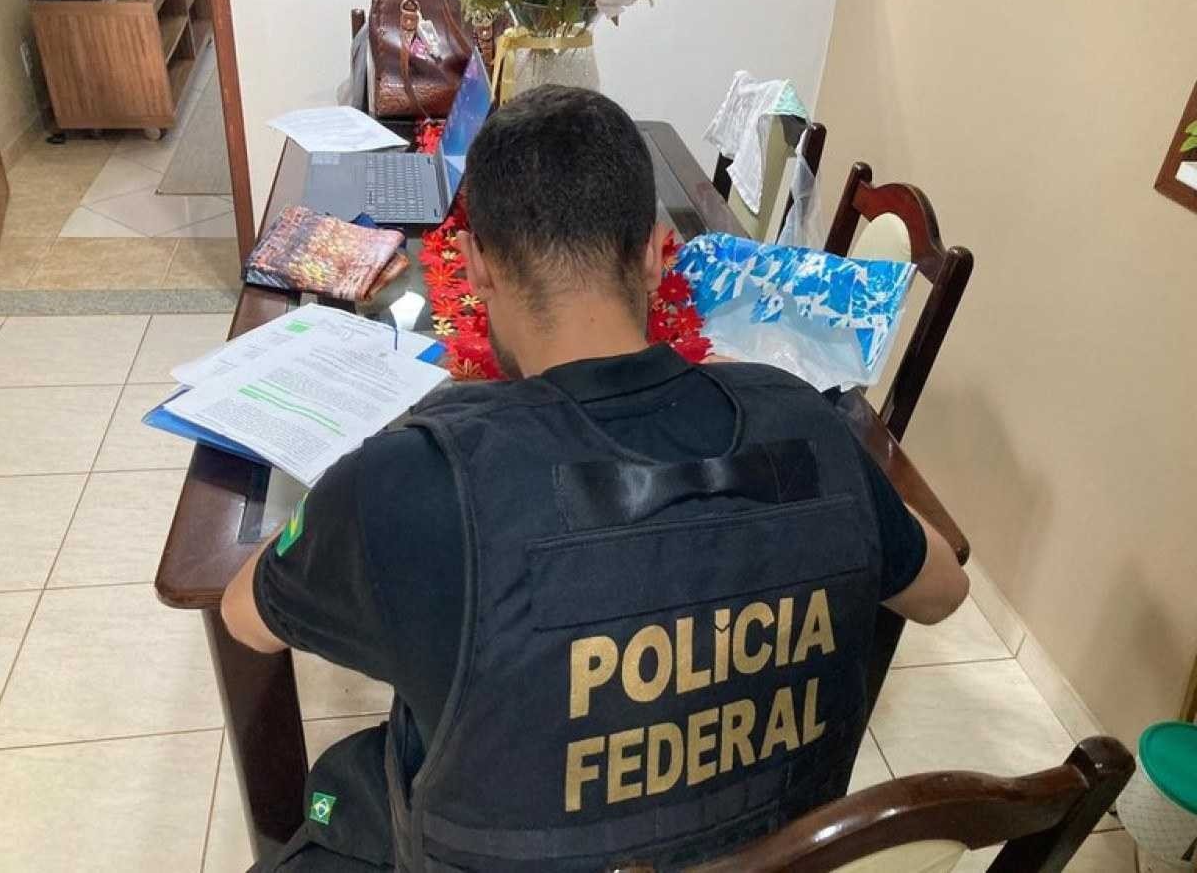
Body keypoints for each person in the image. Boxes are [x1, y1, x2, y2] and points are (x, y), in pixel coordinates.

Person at [222, 85, 969, 873]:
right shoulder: (803, 422)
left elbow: (245, 615)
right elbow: (943, 591)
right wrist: (790, 418)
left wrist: (344, 497)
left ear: (476, 266)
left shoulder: (409, 483)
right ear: (653, 254)